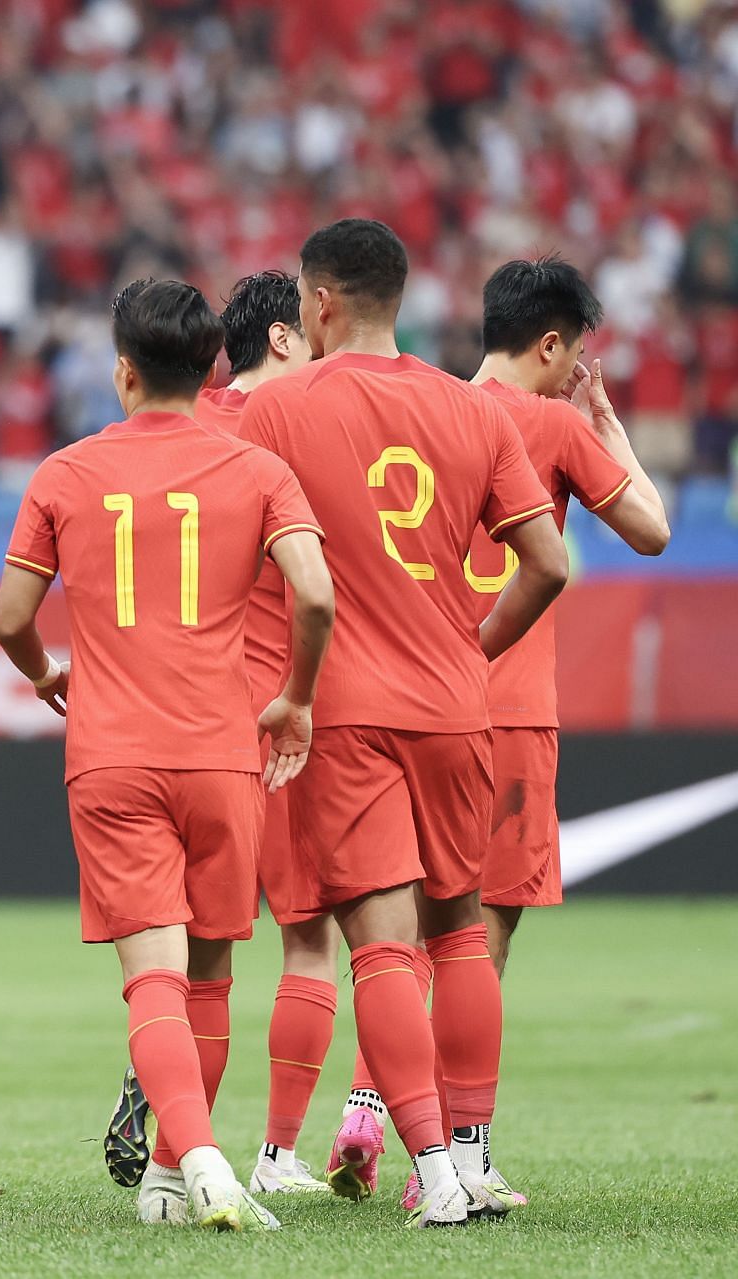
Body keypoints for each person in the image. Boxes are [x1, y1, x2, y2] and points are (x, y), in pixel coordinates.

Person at [241, 220, 568, 1226]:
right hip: (456, 707)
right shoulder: (470, 410)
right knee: (460, 930)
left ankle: (427, 1173)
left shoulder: (278, 408)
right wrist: (471, 649)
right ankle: (469, 1157)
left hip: (348, 711)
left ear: (323, 303)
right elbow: (549, 563)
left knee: (381, 945)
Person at [0, 278, 334, 1231]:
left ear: (122, 370)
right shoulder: (257, 469)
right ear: (213, 367)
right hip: (222, 749)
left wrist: (49, 672)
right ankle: (175, 1172)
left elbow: (11, 616)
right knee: (213, 974)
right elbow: (314, 596)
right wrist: (296, 698)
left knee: (152, 973)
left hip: (112, 751)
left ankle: (197, 1169)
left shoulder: (64, 473)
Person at [364, 256, 671, 1211]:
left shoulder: (425, 410)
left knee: (396, 930)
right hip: (507, 703)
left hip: (404, 705)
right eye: (575, 352)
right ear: (551, 344)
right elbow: (653, 529)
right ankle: (462, 1150)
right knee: (479, 933)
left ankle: (376, 1106)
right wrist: (604, 422)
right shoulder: (547, 422)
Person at [101, 270, 338, 1198]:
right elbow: (329, 573)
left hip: (170, 718)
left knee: (181, 950)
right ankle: (271, 1154)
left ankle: (167, 1108)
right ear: (283, 339)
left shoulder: (180, 422)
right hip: (278, 716)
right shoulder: (296, 434)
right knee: (309, 935)